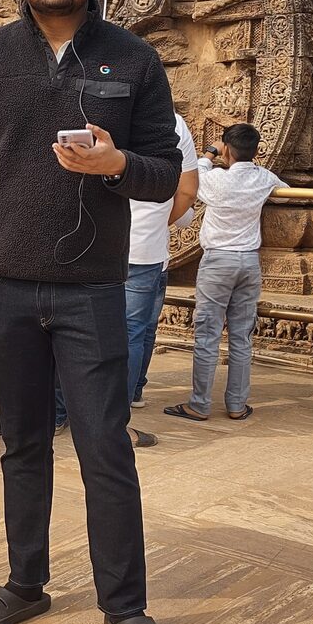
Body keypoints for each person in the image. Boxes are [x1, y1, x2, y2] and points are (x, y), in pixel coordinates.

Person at [0, 0, 182, 624]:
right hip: (3, 287)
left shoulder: (132, 60)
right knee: (22, 445)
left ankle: (126, 605)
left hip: (92, 290)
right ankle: (25, 581)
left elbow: (166, 175)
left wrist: (114, 165)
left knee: (106, 448)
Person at [165, 122, 282, 423]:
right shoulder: (264, 178)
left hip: (218, 262)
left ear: (227, 150)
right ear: (256, 151)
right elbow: (285, 191)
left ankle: (200, 404)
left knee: (208, 335)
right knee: (241, 337)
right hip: (248, 262)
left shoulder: (214, 178)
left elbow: (196, 171)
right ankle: (237, 405)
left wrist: (210, 151)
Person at [124, 111, 199, 442]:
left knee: (74, 325)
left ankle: (59, 411)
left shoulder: (90, 106)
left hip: (94, 242)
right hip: (147, 248)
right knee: (136, 331)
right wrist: (157, 223)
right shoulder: (173, 123)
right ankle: (126, 401)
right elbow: (187, 191)